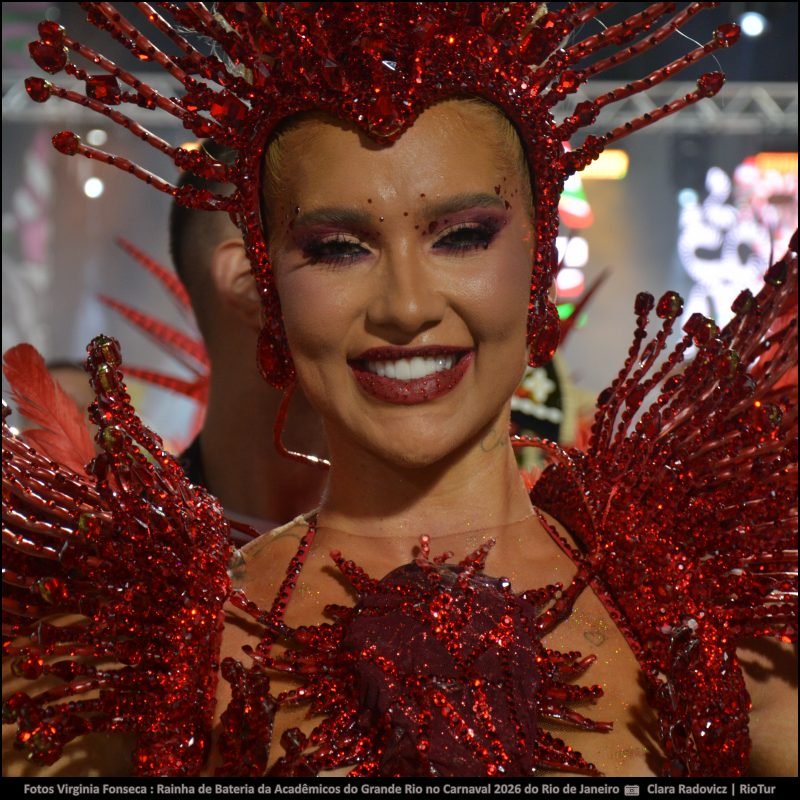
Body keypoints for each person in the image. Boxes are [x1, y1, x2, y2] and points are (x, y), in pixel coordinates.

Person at [3, 2, 796, 779]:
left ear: (540, 257)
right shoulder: (148, 655)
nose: (407, 307)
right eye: (339, 248)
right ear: (266, 287)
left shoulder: (696, 609)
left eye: (462, 237)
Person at [167, 141, 327, 530]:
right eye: (343, 247)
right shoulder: (107, 563)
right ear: (253, 284)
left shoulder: (471, 548)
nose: (409, 304)